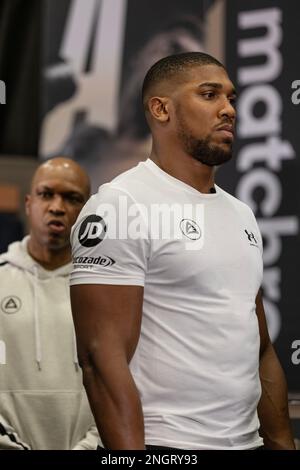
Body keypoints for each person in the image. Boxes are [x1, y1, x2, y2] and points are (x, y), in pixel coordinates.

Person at [70, 52, 295, 450]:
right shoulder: (119, 206)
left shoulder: (241, 214)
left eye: (231, 98)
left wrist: (281, 442)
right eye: (209, 95)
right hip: (166, 446)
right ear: (161, 109)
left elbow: (259, 347)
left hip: (248, 443)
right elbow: (101, 361)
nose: (228, 110)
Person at [0, 157, 99, 450]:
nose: (57, 207)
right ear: (29, 203)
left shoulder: (104, 290)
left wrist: (93, 446)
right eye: (46, 194)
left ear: (87, 212)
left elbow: (126, 379)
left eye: (72, 198)